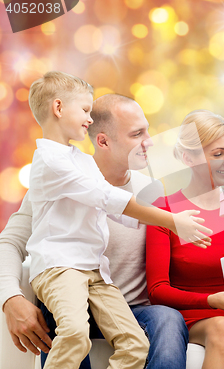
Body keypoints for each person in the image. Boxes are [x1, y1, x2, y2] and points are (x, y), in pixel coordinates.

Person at [0, 86, 197, 368]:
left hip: (130, 308)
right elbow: (10, 242)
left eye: (147, 131)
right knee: (64, 322)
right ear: (103, 142)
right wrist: (10, 298)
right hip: (71, 299)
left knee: (167, 319)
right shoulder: (59, 179)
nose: (149, 142)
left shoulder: (150, 189)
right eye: (136, 134)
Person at [146, 109, 224, 369]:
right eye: (217, 154)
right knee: (223, 327)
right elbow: (157, 291)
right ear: (188, 157)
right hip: (194, 315)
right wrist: (210, 301)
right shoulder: (164, 210)